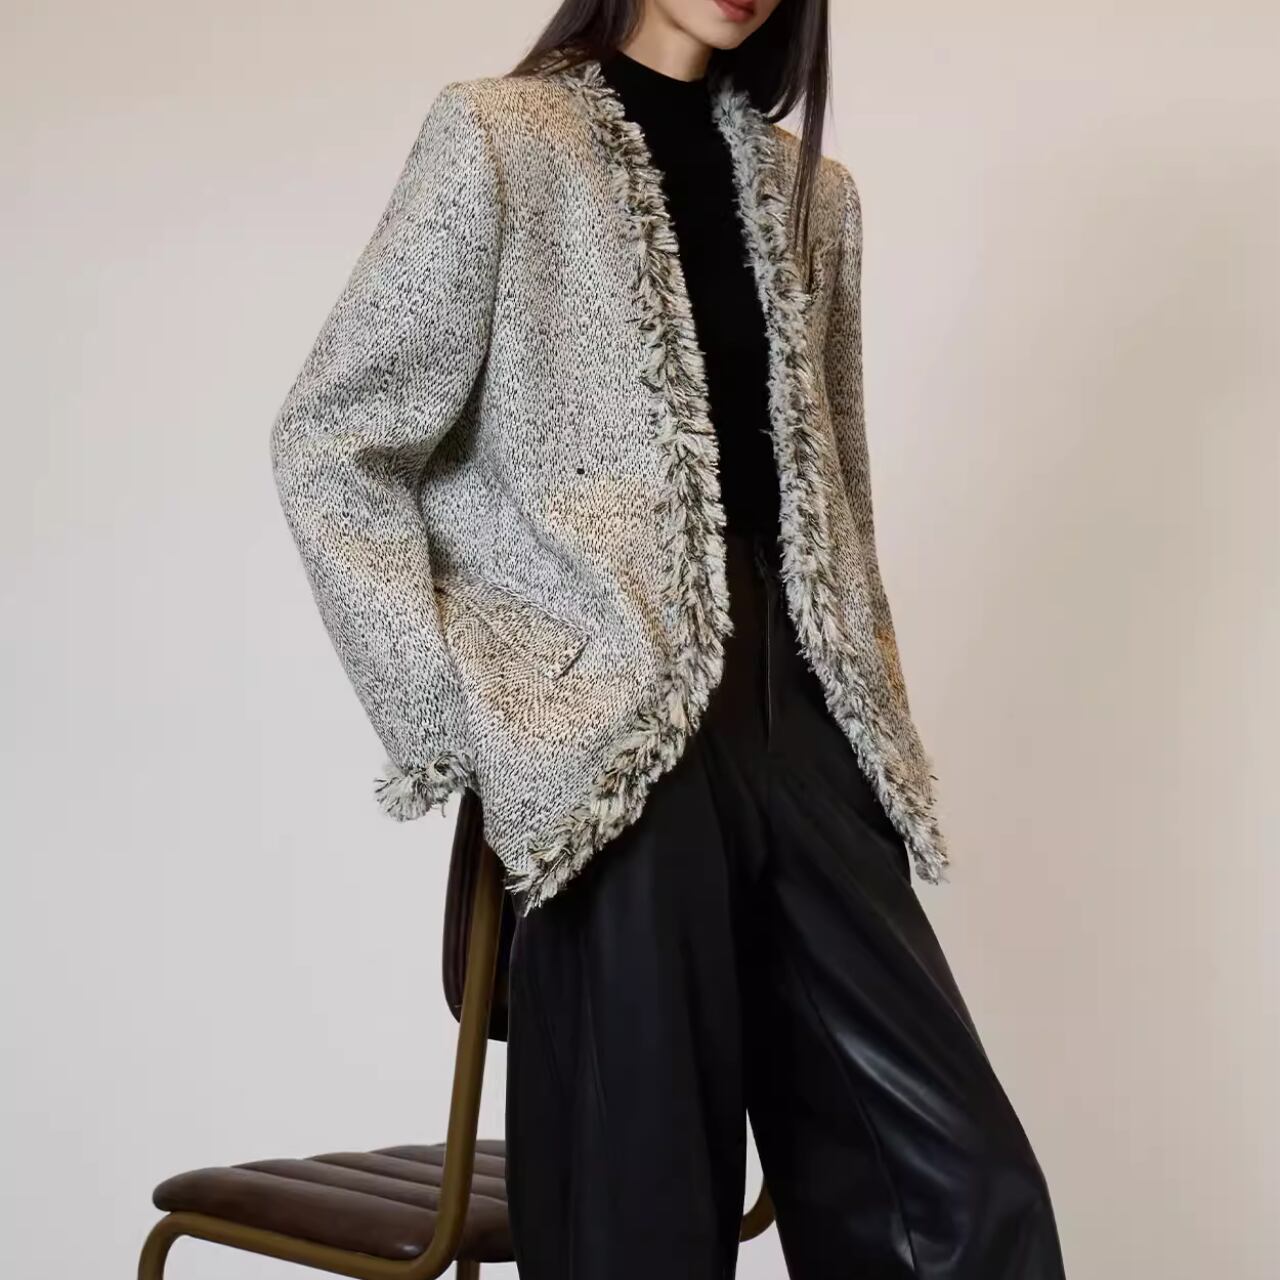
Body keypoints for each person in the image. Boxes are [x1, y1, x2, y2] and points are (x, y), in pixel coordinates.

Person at [269, 1, 1069, 1275]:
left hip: (805, 723)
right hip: (618, 742)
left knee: (963, 1198)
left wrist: (870, 724)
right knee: (637, 1218)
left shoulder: (815, 197)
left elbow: (839, 497)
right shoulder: (502, 137)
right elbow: (334, 440)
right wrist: (470, 715)